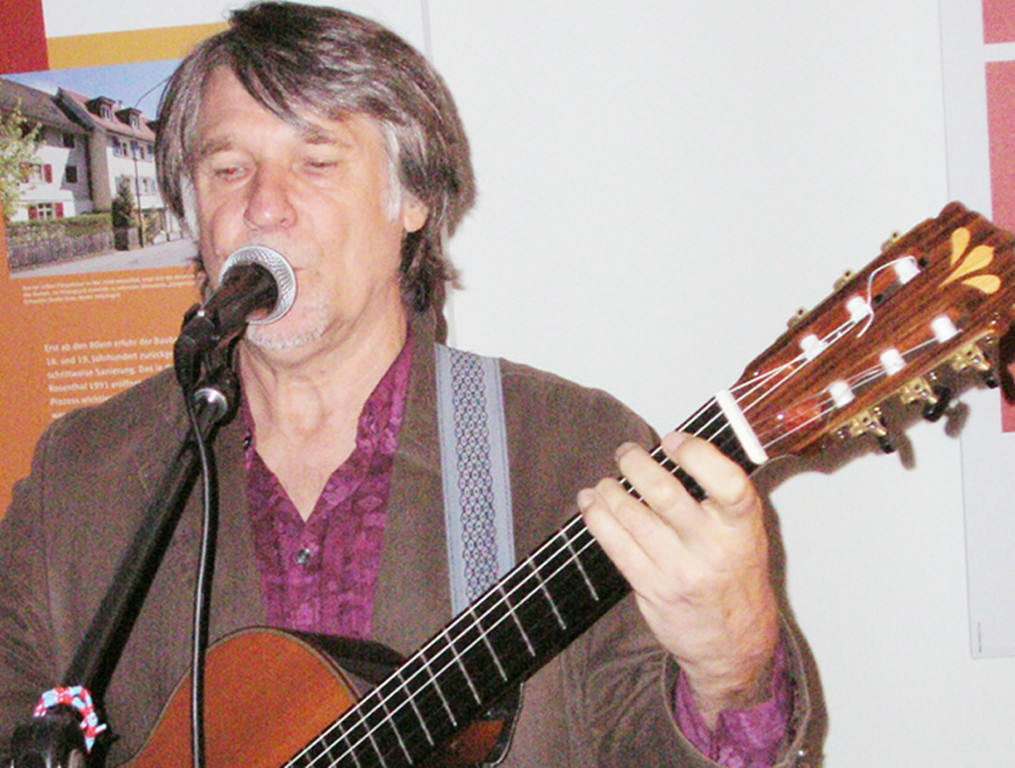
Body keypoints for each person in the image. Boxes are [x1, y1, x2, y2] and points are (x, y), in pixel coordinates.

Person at [0, 3, 823, 766]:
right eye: (227, 168)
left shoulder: (572, 453)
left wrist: (733, 668)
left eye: (316, 161)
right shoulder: (82, 477)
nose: (265, 207)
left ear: (415, 199)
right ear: (190, 209)